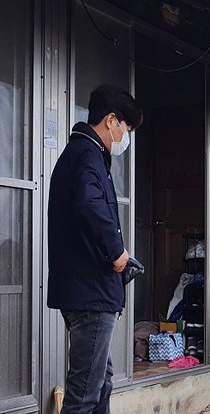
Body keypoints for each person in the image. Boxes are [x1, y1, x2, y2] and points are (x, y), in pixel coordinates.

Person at [47, 84, 143, 413]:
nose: (125, 138)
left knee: (101, 382)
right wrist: (117, 253)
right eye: (126, 129)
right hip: (91, 292)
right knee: (85, 394)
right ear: (111, 120)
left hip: (86, 289)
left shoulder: (83, 154)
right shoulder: (87, 155)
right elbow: (91, 206)